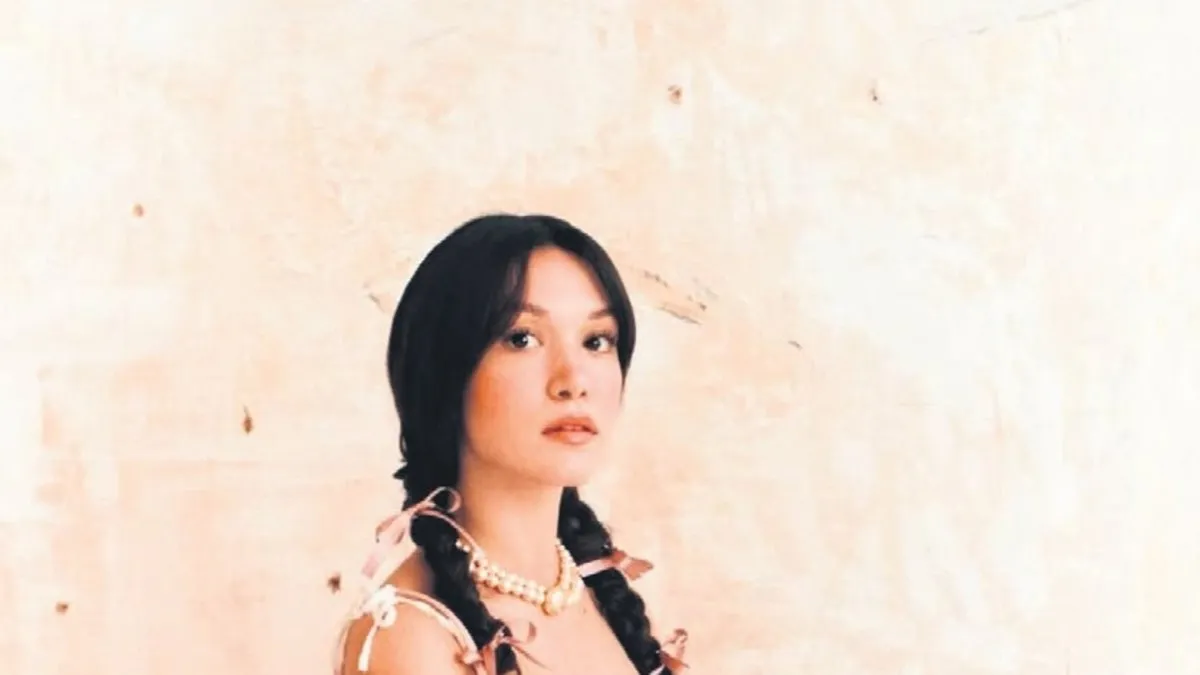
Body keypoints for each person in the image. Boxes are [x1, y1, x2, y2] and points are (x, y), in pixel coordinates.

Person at [333, 214, 688, 675]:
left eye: (596, 340)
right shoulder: (412, 636)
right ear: (445, 374)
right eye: (522, 339)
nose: (574, 380)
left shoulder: (598, 592)